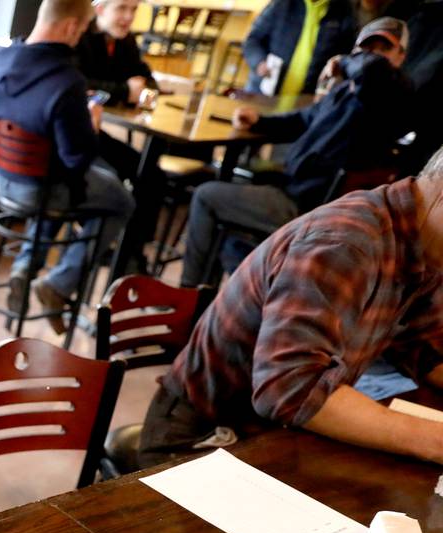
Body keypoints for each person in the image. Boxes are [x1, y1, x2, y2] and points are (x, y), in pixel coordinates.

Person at [138, 145, 443, 468]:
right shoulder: (345, 242)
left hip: (271, 432)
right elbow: (290, 390)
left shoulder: (423, 246)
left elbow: (424, 348)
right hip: (201, 434)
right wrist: (434, 441)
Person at [179, 17, 413, 287]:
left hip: (310, 206)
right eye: (367, 47)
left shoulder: (395, 92)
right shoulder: (347, 92)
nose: (374, 55)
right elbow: (303, 119)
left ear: (401, 56)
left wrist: (341, 62)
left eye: (384, 48)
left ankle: (188, 296)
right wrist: (259, 121)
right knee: (230, 233)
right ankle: (224, 297)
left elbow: (373, 71)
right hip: (295, 189)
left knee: (206, 197)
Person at [0, 0, 136, 325]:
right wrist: (92, 126)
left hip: (3, 181)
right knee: (120, 199)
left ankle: (26, 265)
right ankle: (59, 283)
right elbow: (78, 158)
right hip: (43, 189)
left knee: (61, 181)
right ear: (71, 27)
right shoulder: (66, 82)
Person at [75, 0, 164, 272]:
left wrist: (140, 90)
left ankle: (131, 253)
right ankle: (101, 247)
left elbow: (150, 82)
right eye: (122, 9)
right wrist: (125, 91)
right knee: (115, 180)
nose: (128, 17)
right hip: (76, 136)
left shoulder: (126, 42)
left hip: (100, 132)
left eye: (134, 10)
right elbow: (81, 84)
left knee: (151, 175)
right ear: (101, 9)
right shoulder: (81, 37)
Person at [243, 0, 356, 96]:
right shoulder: (282, 3)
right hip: (262, 94)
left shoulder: (344, 12)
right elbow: (253, 40)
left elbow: (345, 58)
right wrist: (259, 63)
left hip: (305, 104)